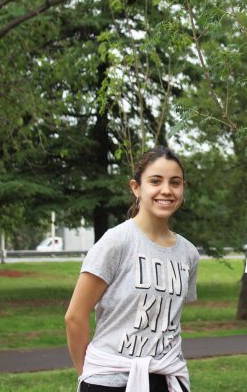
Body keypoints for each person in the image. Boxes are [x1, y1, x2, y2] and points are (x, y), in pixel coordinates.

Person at [66, 147, 199, 392]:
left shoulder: (188, 253)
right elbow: (75, 317)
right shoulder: (116, 242)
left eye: (175, 182)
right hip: (109, 381)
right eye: (155, 181)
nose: (166, 190)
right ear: (136, 188)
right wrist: (87, 374)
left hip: (167, 379)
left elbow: (168, 320)